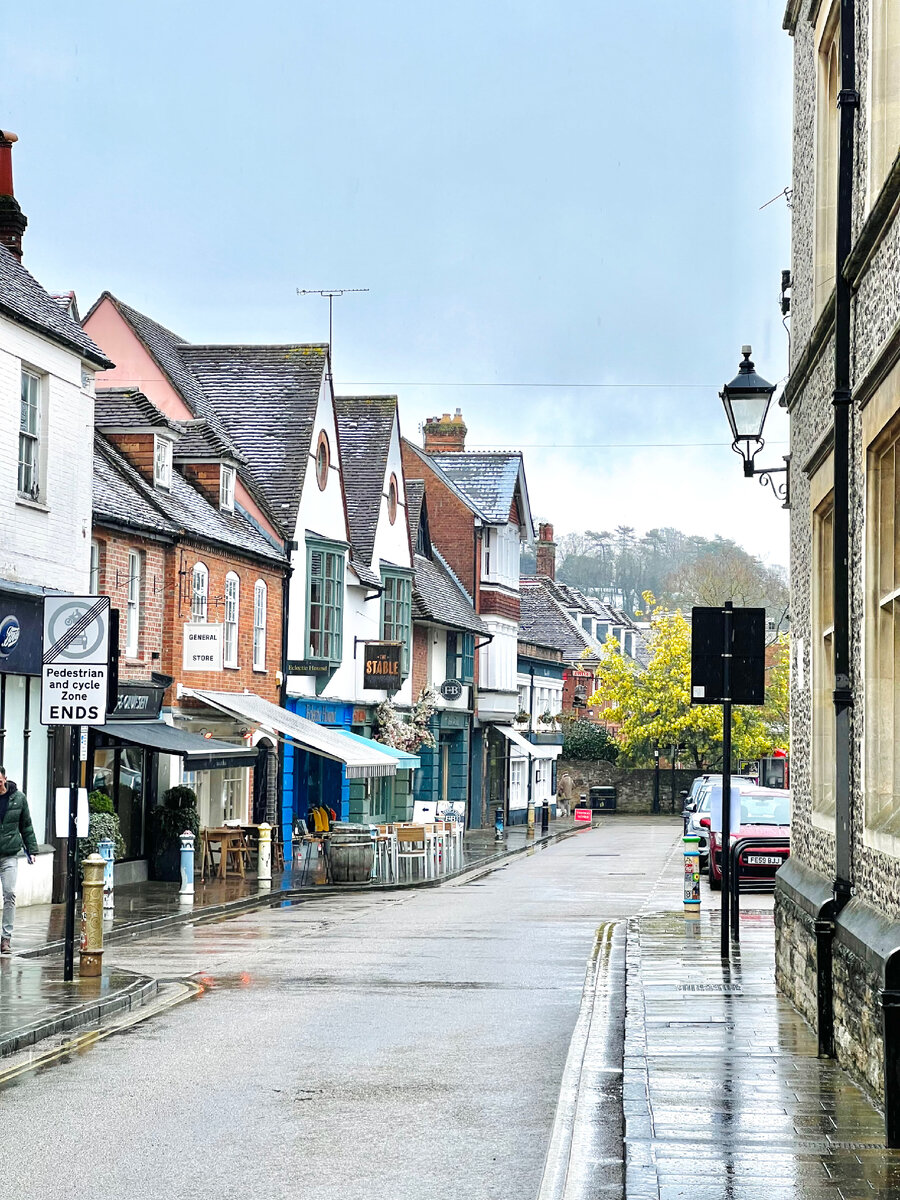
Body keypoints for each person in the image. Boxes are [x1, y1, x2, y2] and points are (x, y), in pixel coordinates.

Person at [0, 767, 38, 954]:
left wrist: (32, 850)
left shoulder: (18, 798)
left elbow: (26, 825)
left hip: (9, 855)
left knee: (10, 894)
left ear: (5, 779)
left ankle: (6, 939)